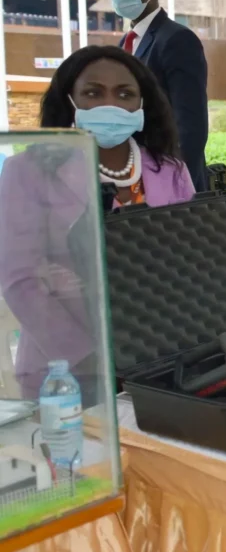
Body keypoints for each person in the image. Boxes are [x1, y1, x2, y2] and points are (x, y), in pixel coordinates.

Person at [0, 45, 194, 399]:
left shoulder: (171, 170)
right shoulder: (26, 171)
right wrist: (92, 360)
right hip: (68, 375)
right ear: (69, 101)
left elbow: (193, 264)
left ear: (142, 104)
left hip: (163, 362)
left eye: (125, 94)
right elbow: (19, 279)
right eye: (93, 93)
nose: (110, 104)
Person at [108, 0, 210, 191]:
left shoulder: (177, 39)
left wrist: (170, 184)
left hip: (168, 186)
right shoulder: (125, 43)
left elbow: (191, 128)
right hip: (131, 180)